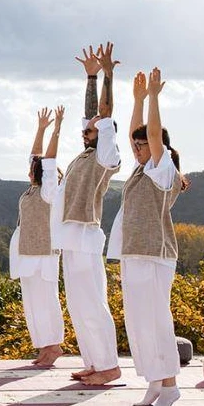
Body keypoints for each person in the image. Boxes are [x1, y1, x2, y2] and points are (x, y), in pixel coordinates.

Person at [106, 68, 187, 406]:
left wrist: (153, 97)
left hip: (154, 254)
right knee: (139, 322)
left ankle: (170, 386)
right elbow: (136, 132)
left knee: (155, 320)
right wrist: (137, 100)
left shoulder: (162, 167)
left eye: (143, 146)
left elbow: (152, 134)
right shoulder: (142, 169)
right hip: (135, 252)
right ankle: (155, 381)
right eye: (136, 146)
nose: (137, 149)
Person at [41, 43, 123, 385]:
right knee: (78, 305)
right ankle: (94, 362)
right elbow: (91, 115)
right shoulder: (83, 157)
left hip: (86, 235)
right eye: (85, 130)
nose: (84, 131)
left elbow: (102, 115)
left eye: (90, 130)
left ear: (104, 133)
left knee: (91, 303)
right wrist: (89, 76)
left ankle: (109, 365)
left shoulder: (106, 155)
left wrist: (105, 75)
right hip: (70, 237)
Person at [9, 108, 67, 367]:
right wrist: (40, 128)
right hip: (27, 254)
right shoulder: (32, 191)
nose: (28, 172)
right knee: (32, 302)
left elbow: (49, 160)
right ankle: (44, 347)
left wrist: (56, 130)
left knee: (46, 301)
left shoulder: (49, 193)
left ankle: (53, 346)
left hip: (44, 254)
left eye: (33, 170)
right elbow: (35, 156)